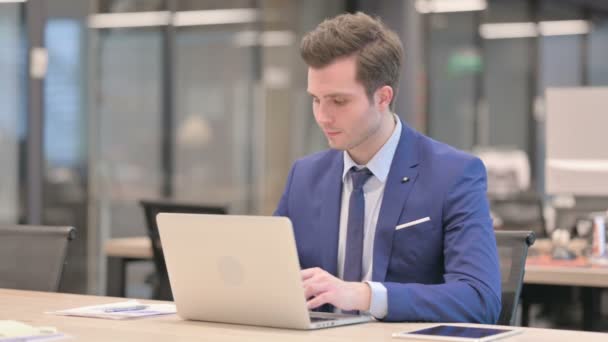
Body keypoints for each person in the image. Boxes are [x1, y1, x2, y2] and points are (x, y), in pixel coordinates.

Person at [274, 12, 501, 323]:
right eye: (316, 99)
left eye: (338, 102)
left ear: (383, 97)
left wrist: (364, 294)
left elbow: (479, 298)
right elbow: (271, 275)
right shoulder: (305, 176)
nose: (323, 117)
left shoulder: (454, 175)